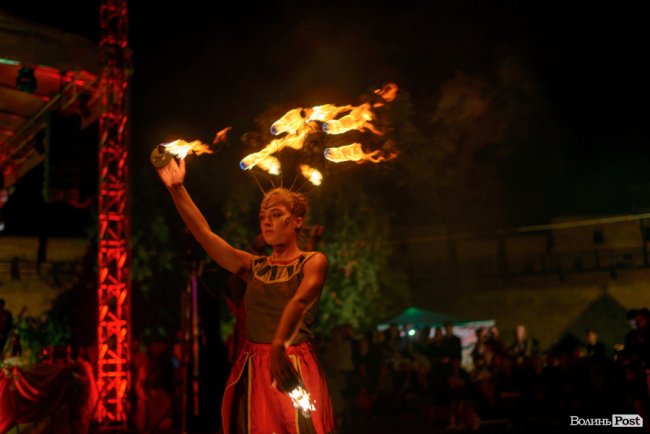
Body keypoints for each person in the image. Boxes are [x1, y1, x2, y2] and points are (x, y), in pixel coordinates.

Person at [157, 158, 333, 434]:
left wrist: (278, 346)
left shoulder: (313, 261)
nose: (267, 222)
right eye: (262, 216)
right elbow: (205, 235)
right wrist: (177, 190)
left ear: (298, 220)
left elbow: (299, 302)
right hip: (255, 366)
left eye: (275, 214)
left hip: (292, 363)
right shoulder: (255, 266)